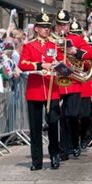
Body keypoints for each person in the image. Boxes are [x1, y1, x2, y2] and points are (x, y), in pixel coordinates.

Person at [18, 12, 61, 171]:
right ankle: (36, 160)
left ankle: (55, 156)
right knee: (35, 128)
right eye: (43, 27)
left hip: (52, 89)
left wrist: (59, 65)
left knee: (53, 124)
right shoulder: (29, 45)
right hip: (35, 89)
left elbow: (63, 63)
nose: (46, 30)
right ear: (36, 28)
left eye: (48, 27)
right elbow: (22, 64)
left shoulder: (55, 45)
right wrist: (40, 66)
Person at [54, 9, 92, 160]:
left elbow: (91, 53)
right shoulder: (51, 40)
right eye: (60, 25)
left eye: (65, 25)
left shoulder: (75, 39)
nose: (62, 28)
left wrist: (75, 51)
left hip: (73, 83)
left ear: (69, 25)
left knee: (72, 115)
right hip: (56, 84)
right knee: (61, 117)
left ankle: (74, 141)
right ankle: (63, 150)